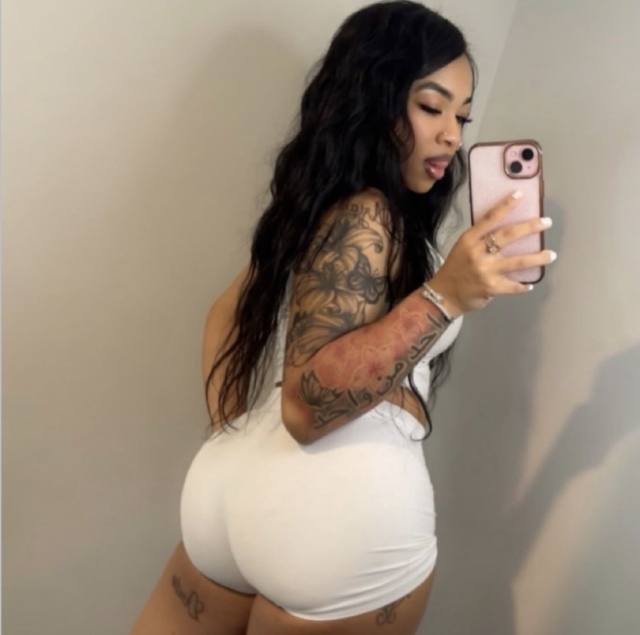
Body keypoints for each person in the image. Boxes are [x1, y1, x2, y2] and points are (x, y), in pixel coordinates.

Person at [128, 2, 556, 633]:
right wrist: (446, 296)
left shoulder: (311, 209)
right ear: (373, 97)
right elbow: (308, 409)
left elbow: (226, 312)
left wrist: (231, 439)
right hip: (339, 522)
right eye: (431, 107)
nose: (452, 136)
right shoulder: (369, 214)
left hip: (228, 500)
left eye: (462, 116)